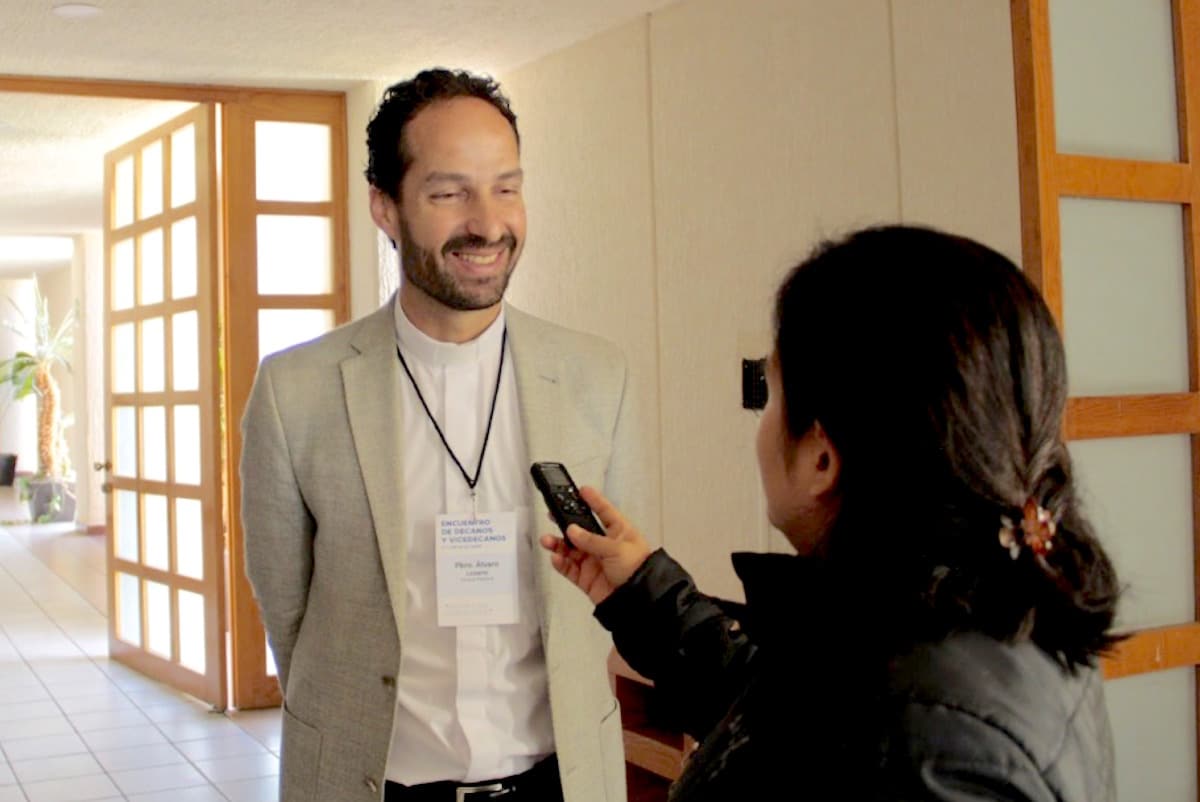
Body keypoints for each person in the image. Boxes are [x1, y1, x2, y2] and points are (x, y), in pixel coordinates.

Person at [542, 225, 1121, 801]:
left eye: (771, 395)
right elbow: (793, 713)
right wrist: (645, 593)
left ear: (822, 457)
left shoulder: (930, 748)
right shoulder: (978, 607)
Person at [241, 68, 643, 802]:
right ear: (386, 209)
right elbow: (288, 608)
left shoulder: (596, 376)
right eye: (449, 192)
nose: (488, 224)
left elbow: (618, 593)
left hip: (561, 783)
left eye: (507, 187)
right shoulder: (295, 390)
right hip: (373, 782)